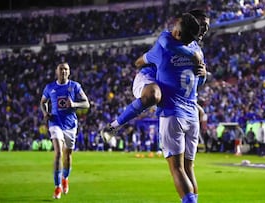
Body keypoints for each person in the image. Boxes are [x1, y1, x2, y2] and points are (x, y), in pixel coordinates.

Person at [103, 9, 210, 137]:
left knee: (199, 113)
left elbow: (197, 82)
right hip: (151, 78)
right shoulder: (167, 39)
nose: (205, 29)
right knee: (153, 94)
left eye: (207, 26)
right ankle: (113, 127)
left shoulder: (197, 50)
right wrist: (193, 55)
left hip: (171, 88)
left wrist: (203, 75)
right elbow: (142, 60)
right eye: (202, 24)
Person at [136, 13, 205, 203]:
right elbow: (201, 80)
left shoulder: (165, 46)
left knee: (177, 169)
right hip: (192, 114)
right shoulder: (197, 51)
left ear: (178, 32)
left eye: (176, 26)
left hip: (173, 113)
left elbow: (141, 61)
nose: (172, 27)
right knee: (189, 168)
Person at [40, 63, 90, 199]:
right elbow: (43, 101)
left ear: (69, 72)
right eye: (61, 69)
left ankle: (65, 178)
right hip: (55, 123)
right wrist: (46, 112)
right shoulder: (50, 87)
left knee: (67, 155)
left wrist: (74, 104)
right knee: (58, 153)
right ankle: (57, 187)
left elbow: (86, 103)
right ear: (57, 71)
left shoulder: (75, 86)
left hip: (71, 125)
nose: (63, 71)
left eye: (66, 69)